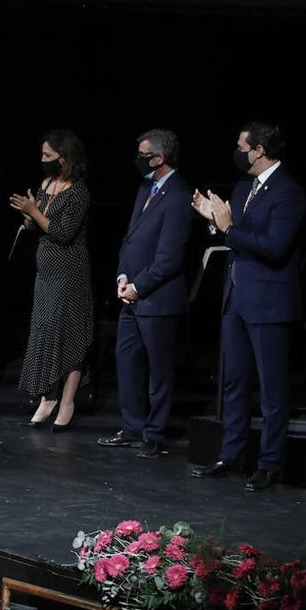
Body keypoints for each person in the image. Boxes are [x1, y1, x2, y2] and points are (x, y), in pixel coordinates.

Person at [189, 120, 306, 491]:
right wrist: (214, 221)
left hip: (269, 300)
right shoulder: (244, 187)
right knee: (234, 381)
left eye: (242, 146)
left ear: (259, 150)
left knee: (271, 388)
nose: (237, 152)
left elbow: (273, 246)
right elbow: (235, 236)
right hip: (236, 296)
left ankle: (270, 463)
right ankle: (231, 454)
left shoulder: (288, 192)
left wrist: (226, 228)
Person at [98, 129, 193, 458]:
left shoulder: (179, 195)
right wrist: (123, 277)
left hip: (157, 299)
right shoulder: (145, 188)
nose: (137, 160)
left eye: (143, 154)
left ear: (159, 158)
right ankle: (133, 425)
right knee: (127, 363)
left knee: (159, 370)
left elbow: (169, 258)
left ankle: (154, 433)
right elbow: (130, 239)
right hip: (132, 295)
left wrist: (139, 287)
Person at [9, 128, 95, 432]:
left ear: (66, 157)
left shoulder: (79, 191)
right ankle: (48, 395)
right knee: (44, 331)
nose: (43, 160)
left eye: (49, 155)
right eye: (43, 155)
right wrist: (29, 216)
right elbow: (39, 227)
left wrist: (35, 211)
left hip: (69, 272)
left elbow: (62, 232)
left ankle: (68, 400)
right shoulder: (47, 184)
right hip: (45, 273)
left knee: (68, 333)